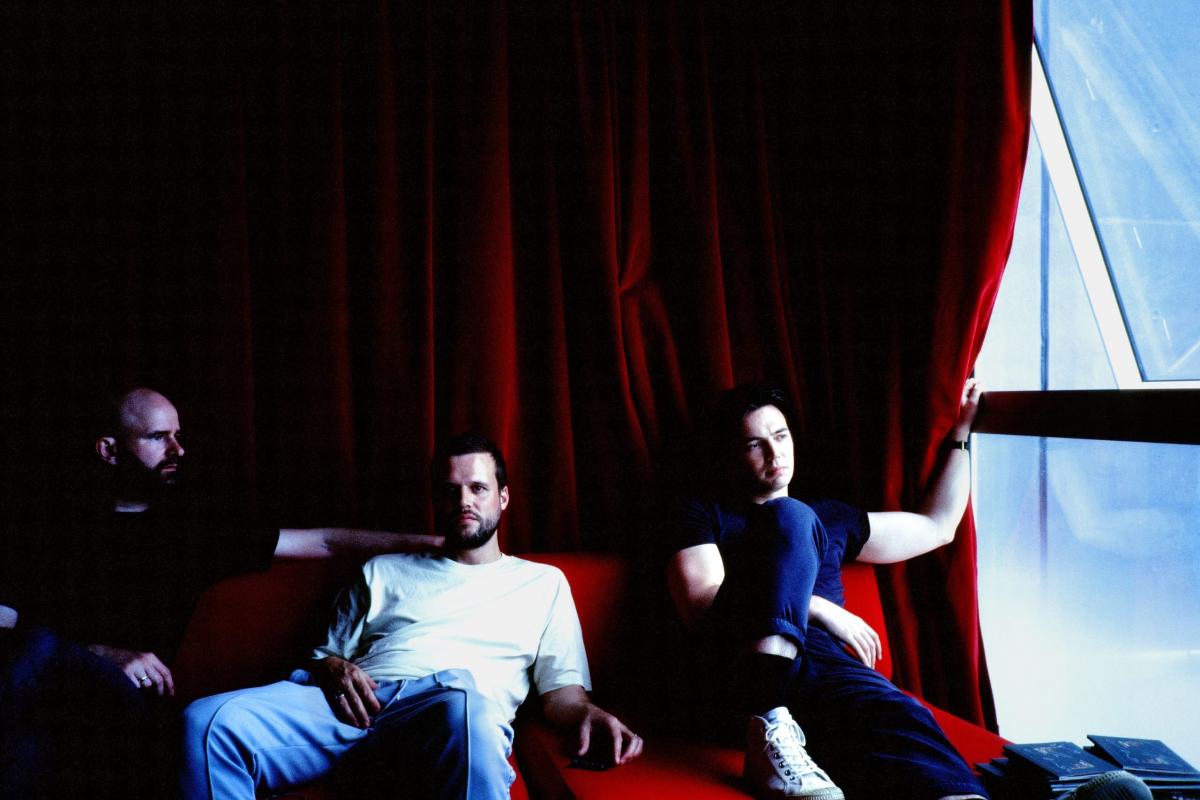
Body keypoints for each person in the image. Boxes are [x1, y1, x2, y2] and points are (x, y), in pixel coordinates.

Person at [0, 386, 441, 799]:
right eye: (158, 437)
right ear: (109, 450)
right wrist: (97, 652)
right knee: (30, 677)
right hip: (45, 688)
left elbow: (324, 541)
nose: (178, 450)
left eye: (178, 436)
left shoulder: (193, 530)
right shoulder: (53, 524)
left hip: (127, 710)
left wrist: (434, 543)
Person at [180, 431, 643, 799]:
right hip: (356, 708)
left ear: (502, 497)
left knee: (464, 696)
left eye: (478, 488)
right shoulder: (383, 570)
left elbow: (562, 693)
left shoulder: (543, 583)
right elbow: (323, 657)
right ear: (436, 500)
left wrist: (588, 713)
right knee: (205, 723)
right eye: (450, 490)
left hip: (450, 718)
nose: (464, 501)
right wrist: (333, 666)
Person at [667, 379, 988, 800]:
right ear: (731, 455)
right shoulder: (704, 513)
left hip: (822, 673)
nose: (775, 453)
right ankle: (766, 720)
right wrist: (816, 606)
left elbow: (938, 526)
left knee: (904, 714)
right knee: (789, 516)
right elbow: (699, 605)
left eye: (781, 436)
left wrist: (961, 434)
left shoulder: (830, 518)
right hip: (736, 667)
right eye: (754, 445)